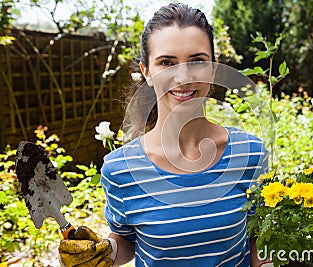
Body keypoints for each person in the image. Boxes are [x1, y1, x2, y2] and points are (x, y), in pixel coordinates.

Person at [58, 3, 269, 267]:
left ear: (214, 68)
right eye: (167, 62)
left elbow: (259, 235)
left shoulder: (250, 153)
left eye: (197, 61)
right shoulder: (120, 170)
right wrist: (102, 253)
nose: (183, 76)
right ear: (146, 71)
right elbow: (127, 240)